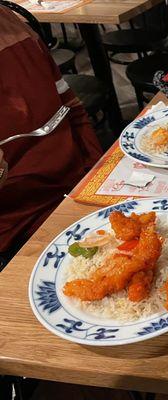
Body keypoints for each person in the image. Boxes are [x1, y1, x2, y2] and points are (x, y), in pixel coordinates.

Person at [0, 6, 103, 269]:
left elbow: (71, 109)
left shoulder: (13, 25)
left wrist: (97, 174)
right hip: (18, 230)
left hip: (77, 188)